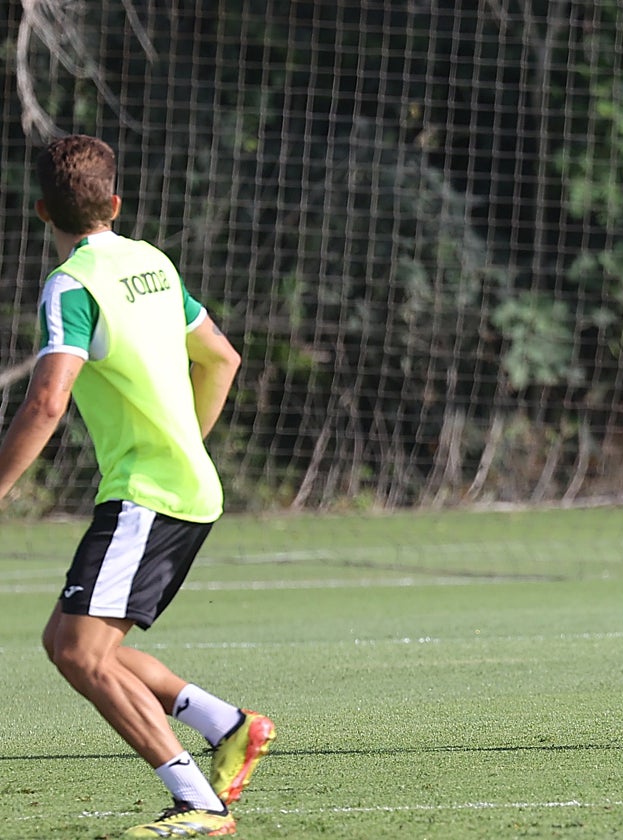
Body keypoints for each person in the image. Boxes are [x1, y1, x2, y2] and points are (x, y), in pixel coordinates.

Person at [0, 134, 276, 837]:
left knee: (77, 653)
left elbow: (46, 402)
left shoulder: (72, 284)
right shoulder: (151, 261)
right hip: (177, 487)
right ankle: (230, 726)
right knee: (77, 642)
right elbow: (222, 358)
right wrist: (189, 442)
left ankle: (199, 804)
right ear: (115, 203)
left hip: (149, 495)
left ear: (41, 213)